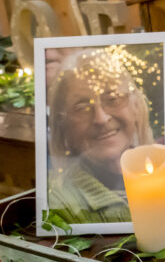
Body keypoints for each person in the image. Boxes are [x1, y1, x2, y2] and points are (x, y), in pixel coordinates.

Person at [47, 49, 157, 225]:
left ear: (135, 105)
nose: (101, 118)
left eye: (113, 98)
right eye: (82, 107)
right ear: (63, 123)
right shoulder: (59, 207)